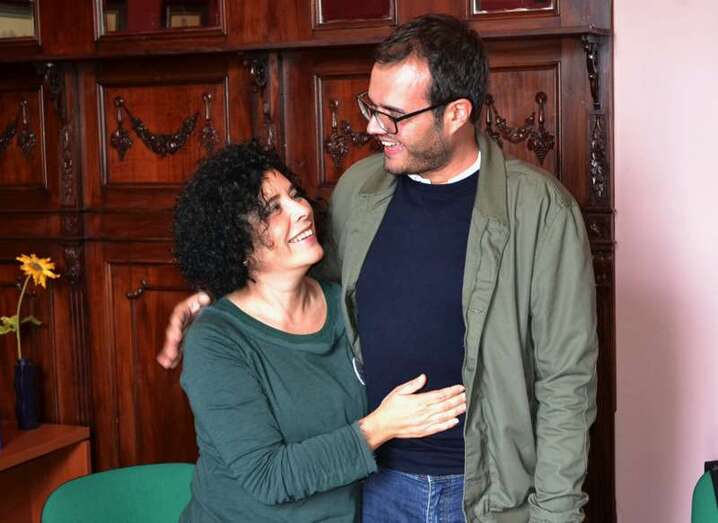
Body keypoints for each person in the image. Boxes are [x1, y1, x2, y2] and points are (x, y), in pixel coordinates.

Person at [160, 14, 598, 523]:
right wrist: (215, 295)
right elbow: (290, 277)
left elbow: (567, 381)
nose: (372, 128)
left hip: (484, 491)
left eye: (393, 115)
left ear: (456, 113)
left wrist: (556, 513)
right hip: (368, 487)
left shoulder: (540, 210)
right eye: (371, 107)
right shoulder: (360, 188)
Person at [172, 142, 466, 522]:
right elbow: (268, 476)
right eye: (272, 210)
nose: (301, 211)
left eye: (294, 195)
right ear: (235, 242)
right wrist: (381, 426)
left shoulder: (345, 301)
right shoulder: (216, 341)